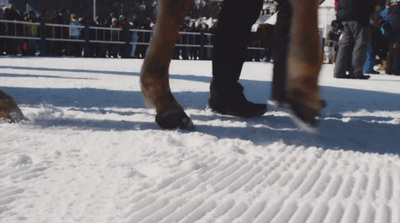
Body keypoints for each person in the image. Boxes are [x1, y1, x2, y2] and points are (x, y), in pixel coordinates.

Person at [333, 0, 378, 79]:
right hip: (359, 15)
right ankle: (355, 72)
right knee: (361, 43)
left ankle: (339, 71)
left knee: (345, 44)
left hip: (344, 16)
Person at [386, 0, 400, 75]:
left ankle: (389, 68)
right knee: (398, 49)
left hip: (392, 28)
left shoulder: (391, 9)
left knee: (391, 47)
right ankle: (397, 69)